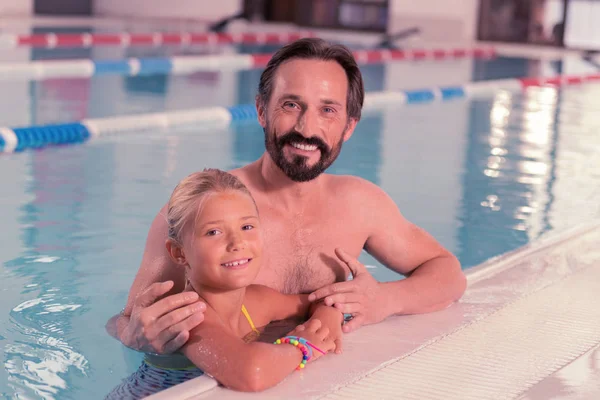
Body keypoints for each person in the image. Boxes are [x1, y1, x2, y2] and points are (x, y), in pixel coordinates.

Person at [108, 37, 467, 356]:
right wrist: (135, 334)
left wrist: (386, 300)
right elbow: (125, 320)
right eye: (291, 105)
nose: (307, 129)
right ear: (262, 110)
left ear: (349, 126)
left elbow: (449, 274)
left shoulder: (361, 204)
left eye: (328, 110)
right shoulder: (203, 209)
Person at [107, 169, 342, 396]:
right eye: (213, 232)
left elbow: (317, 300)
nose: (237, 242)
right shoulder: (187, 318)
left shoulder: (257, 300)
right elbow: (251, 373)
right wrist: (302, 346)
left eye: (246, 227)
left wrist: (328, 316)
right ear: (179, 253)